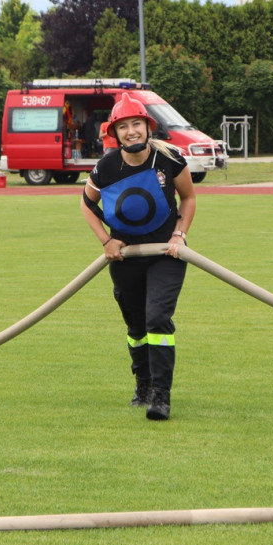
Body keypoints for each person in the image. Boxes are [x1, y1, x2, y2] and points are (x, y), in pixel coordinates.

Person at [81, 93, 196, 421]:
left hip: (166, 253)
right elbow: (86, 205)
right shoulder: (106, 167)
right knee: (135, 325)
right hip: (126, 257)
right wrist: (107, 241)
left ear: (148, 127)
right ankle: (142, 384)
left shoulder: (169, 158)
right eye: (124, 126)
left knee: (157, 318)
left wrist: (179, 234)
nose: (131, 131)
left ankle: (161, 395)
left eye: (137, 124)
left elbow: (188, 198)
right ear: (114, 133)